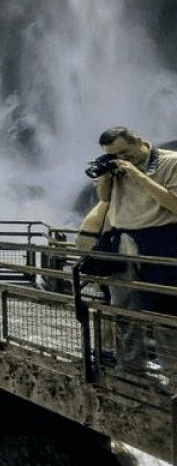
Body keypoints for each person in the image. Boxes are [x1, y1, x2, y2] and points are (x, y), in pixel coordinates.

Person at [89, 126, 177, 368]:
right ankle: (130, 368)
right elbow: (105, 199)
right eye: (115, 155)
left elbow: (175, 204)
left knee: (165, 311)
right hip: (122, 241)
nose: (122, 160)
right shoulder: (116, 166)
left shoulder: (170, 162)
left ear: (139, 142)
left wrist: (138, 175)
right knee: (124, 309)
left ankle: (174, 375)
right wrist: (104, 176)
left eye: (126, 154)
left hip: (161, 241)